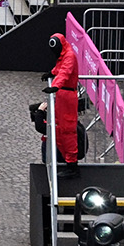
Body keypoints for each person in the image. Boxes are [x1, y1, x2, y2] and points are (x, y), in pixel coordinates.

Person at [45, 33, 80, 169]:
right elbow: (61, 68)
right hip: (62, 94)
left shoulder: (69, 55)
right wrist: (52, 73)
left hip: (67, 95)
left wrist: (55, 85)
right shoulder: (66, 54)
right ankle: (68, 160)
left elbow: (65, 71)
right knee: (60, 127)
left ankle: (72, 163)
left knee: (68, 129)